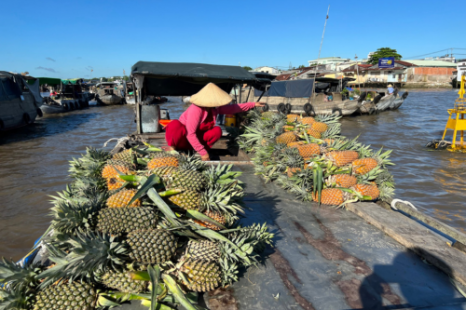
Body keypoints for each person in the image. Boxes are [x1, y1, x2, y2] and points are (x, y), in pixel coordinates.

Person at [165, 83, 265, 161]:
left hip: (196, 141)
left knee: (217, 130)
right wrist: (203, 153)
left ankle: (195, 150)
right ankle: (174, 148)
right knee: (175, 124)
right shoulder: (196, 109)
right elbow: (190, 134)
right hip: (183, 139)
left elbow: (233, 108)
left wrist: (253, 104)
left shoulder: (213, 108)